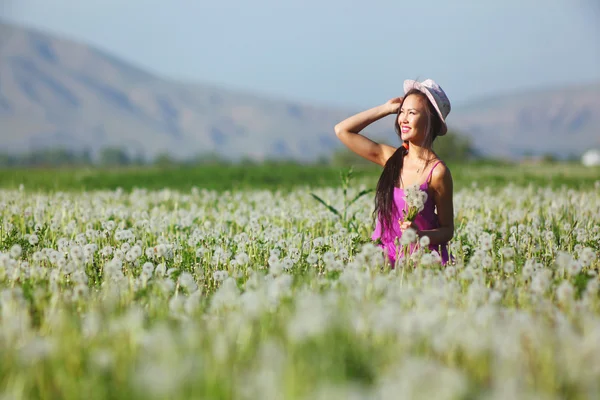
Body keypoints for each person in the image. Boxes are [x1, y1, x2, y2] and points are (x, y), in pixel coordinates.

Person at [334, 79, 454, 267]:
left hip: (421, 263)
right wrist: (386, 108)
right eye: (401, 112)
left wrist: (419, 235)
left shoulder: (437, 172)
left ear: (430, 119)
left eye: (412, 113)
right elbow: (342, 130)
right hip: (382, 260)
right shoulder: (392, 159)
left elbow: (447, 230)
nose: (403, 119)